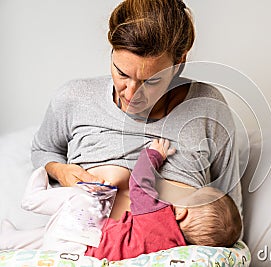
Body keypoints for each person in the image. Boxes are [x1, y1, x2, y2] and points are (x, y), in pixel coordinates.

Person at [31, 0, 242, 223]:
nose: (131, 93)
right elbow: (43, 149)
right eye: (122, 73)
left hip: (178, 255)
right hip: (81, 251)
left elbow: (230, 208)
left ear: (179, 63)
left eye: (150, 81)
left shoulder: (208, 107)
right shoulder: (74, 97)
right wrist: (60, 171)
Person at [0, 139, 242, 261]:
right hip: (69, 250)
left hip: (83, 239)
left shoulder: (159, 217)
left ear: (182, 213)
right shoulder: (175, 249)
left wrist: (153, 154)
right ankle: (11, 240)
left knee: (84, 197)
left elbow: (139, 182)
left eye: (189, 196)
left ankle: (34, 199)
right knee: (46, 237)